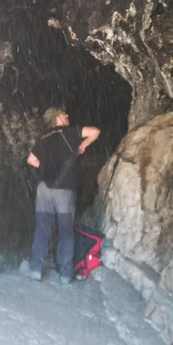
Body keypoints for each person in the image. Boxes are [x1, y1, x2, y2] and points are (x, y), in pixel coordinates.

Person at [20, 107, 101, 284]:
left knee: (42, 229)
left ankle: (36, 270)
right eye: (65, 113)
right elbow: (95, 132)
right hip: (64, 190)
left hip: (44, 189)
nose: (68, 115)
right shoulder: (69, 133)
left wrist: (46, 168)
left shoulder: (43, 138)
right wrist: (81, 146)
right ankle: (65, 274)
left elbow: (30, 160)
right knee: (66, 231)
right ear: (58, 117)